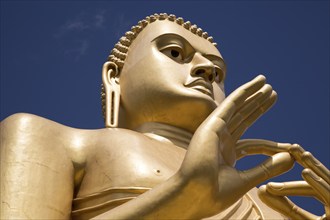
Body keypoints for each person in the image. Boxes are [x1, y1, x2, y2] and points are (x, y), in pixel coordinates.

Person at [1, 13, 329, 220]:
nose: (205, 71)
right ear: (115, 76)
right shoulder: (52, 138)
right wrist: (179, 198)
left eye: (217, 72)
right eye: (174, 52)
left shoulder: (261, 193)